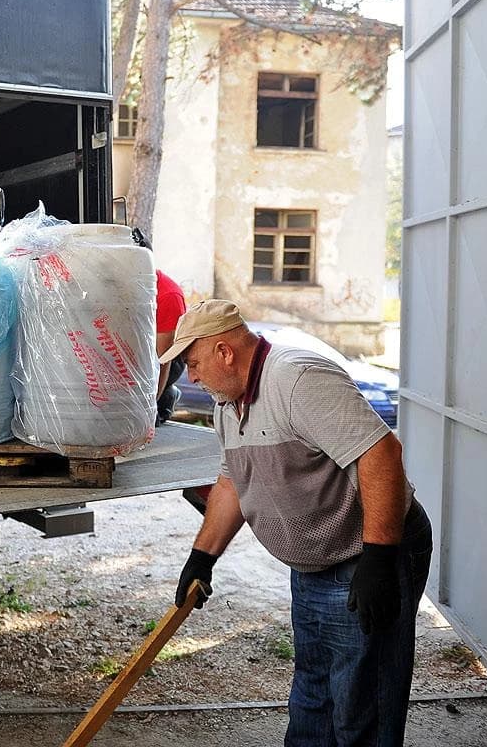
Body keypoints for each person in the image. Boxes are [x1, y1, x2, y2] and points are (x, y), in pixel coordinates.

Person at [166, 300, 432, 747]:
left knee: (361, 700)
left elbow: (380, 453)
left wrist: (381, 560)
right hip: (313, 563)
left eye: (193, 363)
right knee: (314, 691)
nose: (191, 377)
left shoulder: (297, 379)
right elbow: (233, 480)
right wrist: (202, 556)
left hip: (366, 554)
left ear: (224, 352)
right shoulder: (228, 404)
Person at [130, 228, 188, 425]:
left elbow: (163, 360)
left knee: (143, 419)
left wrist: (149, 407)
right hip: (134, 347)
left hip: (165, 358)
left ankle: (165, 397)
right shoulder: (119, 284)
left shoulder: (168, 296)